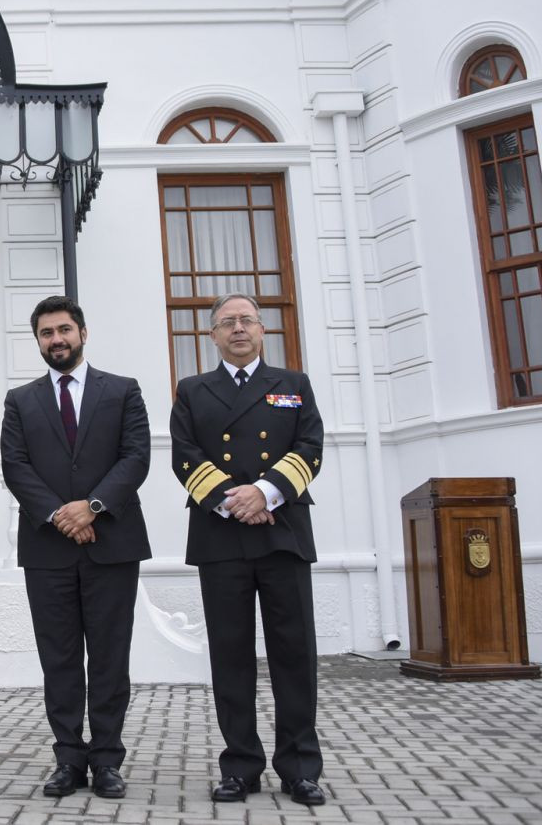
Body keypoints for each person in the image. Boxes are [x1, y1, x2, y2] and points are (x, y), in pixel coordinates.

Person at [169, 292, 327, 806]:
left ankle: (300, 766)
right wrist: (233, 501)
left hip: (282, 534)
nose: (238, 329)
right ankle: (240, 765)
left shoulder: (293, 385)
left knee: (294, 654)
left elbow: (310, 447)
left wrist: (266, 492)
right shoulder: (193, 390)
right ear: (212, 335)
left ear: (262, 330)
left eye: (247, 321)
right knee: (230, 656)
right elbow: (185, 456)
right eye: (227, 323)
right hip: (221, 538)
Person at [0, 295, 151, 799]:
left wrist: (95, 507)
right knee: (59, 659)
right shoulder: (19, 401)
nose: (56, 340)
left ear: (82, 333)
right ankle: (68, 757)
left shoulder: (123, 391)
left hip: (113, 544)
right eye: (46, 333)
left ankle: (107, 759)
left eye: (64, 330)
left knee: (110, 657)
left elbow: (136, 457)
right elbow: (16, 466)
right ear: (38, 341)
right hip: (48, 549)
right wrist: (63, 515)